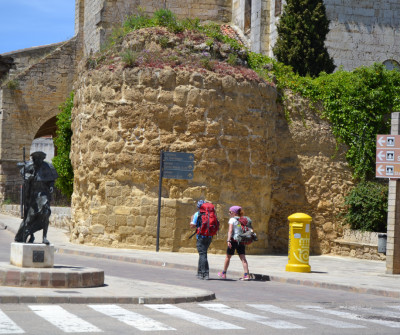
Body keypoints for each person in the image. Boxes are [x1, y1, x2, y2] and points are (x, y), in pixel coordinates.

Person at [14, 151, 58, 244]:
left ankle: (44, 237)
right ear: (33, 159)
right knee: (30, 219)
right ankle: (26, 235)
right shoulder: (29, 167)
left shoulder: (48, 167)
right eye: (35, 159)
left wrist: (51, 186)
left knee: (45, 213)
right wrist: (28, 177)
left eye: (39, 159)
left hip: (43, 194)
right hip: (33, 195)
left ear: (42, 159)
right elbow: (24, 175)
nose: (37, 161)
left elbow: (51, 180)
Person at [218, 205, 250, 281]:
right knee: (243, 258)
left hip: (233, 240)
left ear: (234, 213)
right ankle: (246, 275)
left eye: (230, 212)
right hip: (241, 241)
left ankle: (224, 273)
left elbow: (230, 231)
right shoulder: (243, 219)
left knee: (228, 257)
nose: (229, 213)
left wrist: (228, 240)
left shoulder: (232, 220)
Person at [190, 200, 214, 280]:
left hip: (201, 237)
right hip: (209, 237)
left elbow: (192, 226)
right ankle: (199, 272)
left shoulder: (198, 214)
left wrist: (191, 220)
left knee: (203, 255)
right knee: (203, 254)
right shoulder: (211, 214)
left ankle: (205, 273)